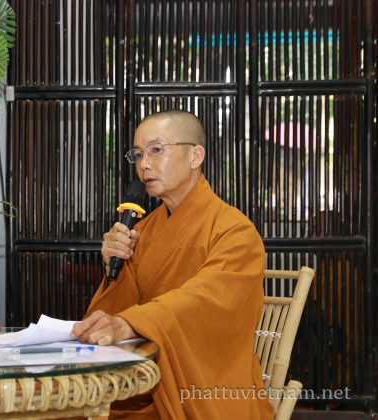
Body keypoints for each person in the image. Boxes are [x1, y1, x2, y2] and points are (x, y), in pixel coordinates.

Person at [70, 110, 274, 419]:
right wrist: (115, 267)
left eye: (156, 150)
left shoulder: (235, 231)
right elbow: (117, 314)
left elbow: (203, 301)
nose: (144, 164)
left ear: (195, 156)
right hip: (146, 380)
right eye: (138, 154)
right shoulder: (143, 231)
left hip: (209, 387)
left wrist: (131, 323)